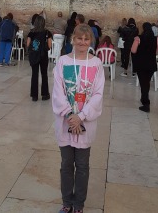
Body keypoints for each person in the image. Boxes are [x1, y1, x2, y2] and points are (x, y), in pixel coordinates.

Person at [52, 24, 105, 213]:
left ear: (91, 41)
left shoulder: (96, 64)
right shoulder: (63, 62)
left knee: (82, 166)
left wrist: (81, 116)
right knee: (66, 164)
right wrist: (69, 115)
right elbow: (58, 92)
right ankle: (67, 202)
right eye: (79, 38)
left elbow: (98, 94)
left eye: (86, 39)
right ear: (72, 39)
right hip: (66, 121)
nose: (82, 42)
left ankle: (78, 205)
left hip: (85, 123)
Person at [131, 22, 158, 112]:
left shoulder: (138, 38)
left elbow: (133, 50)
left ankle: (146, 103)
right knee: (146, 82)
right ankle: (143, 98)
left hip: (141, 64)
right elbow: (156, 53)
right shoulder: (157, 39)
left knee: (143, 83)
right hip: (151, 64)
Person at [27, 15, 52, 102]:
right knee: (44, 74)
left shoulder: (31, 32)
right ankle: (45, 94)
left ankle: (34, 95)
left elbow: (28, 44)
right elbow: (49, 46)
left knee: (34, 74)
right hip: (43, 55)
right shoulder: (47, 33)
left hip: (34, 55)